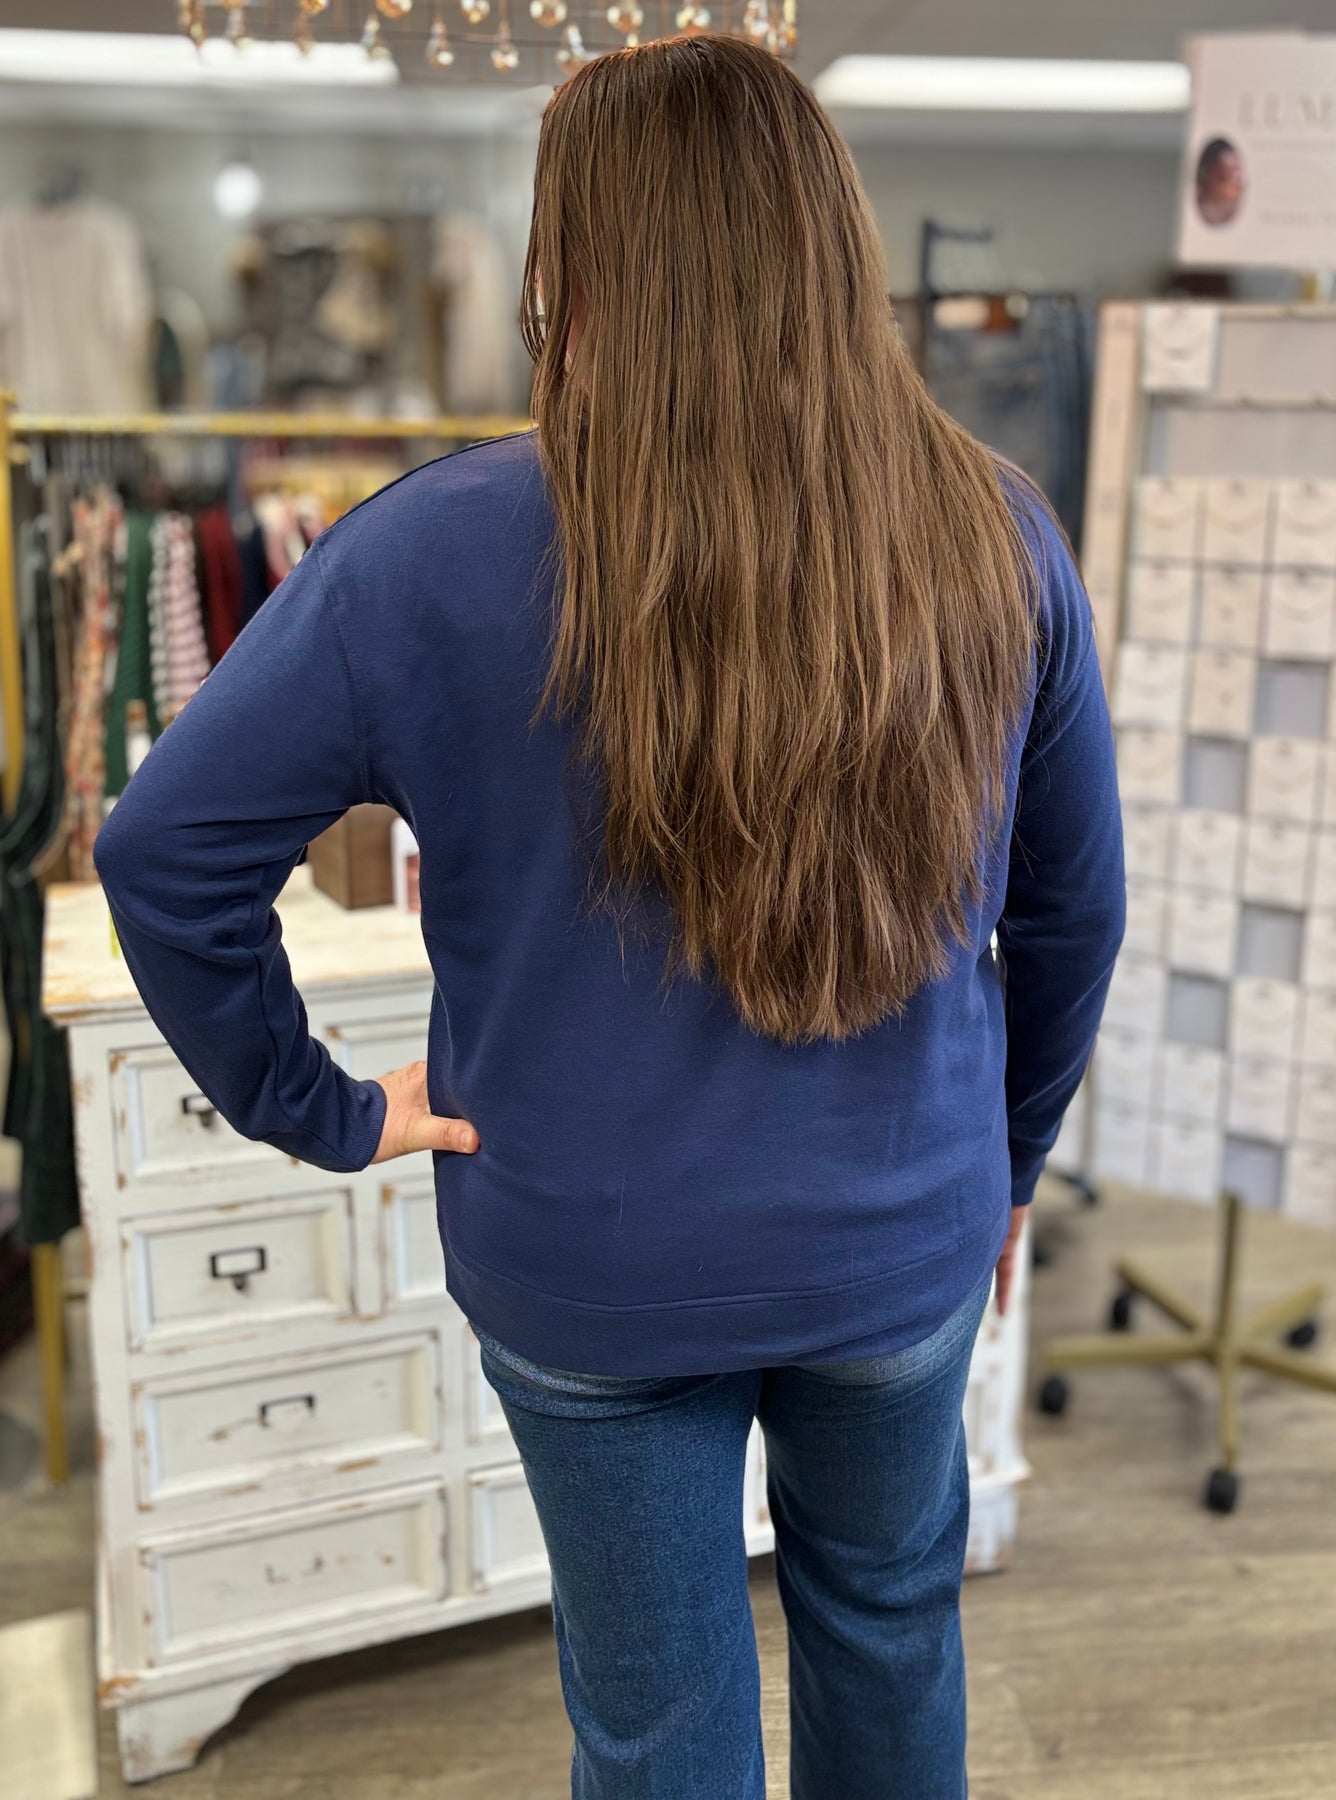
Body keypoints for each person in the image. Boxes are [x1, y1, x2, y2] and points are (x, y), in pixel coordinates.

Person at [95, 34, 1124, 1800]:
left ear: (570, 266)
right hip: (898, 1230)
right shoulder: (996, 534)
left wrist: (314, 1104)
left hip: (590, 1257)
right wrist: (1007, 1167)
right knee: (890, 1627)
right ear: (831, 247)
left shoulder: (424, 553)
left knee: (655, 1725)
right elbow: (1073, 918)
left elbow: (162, 852)